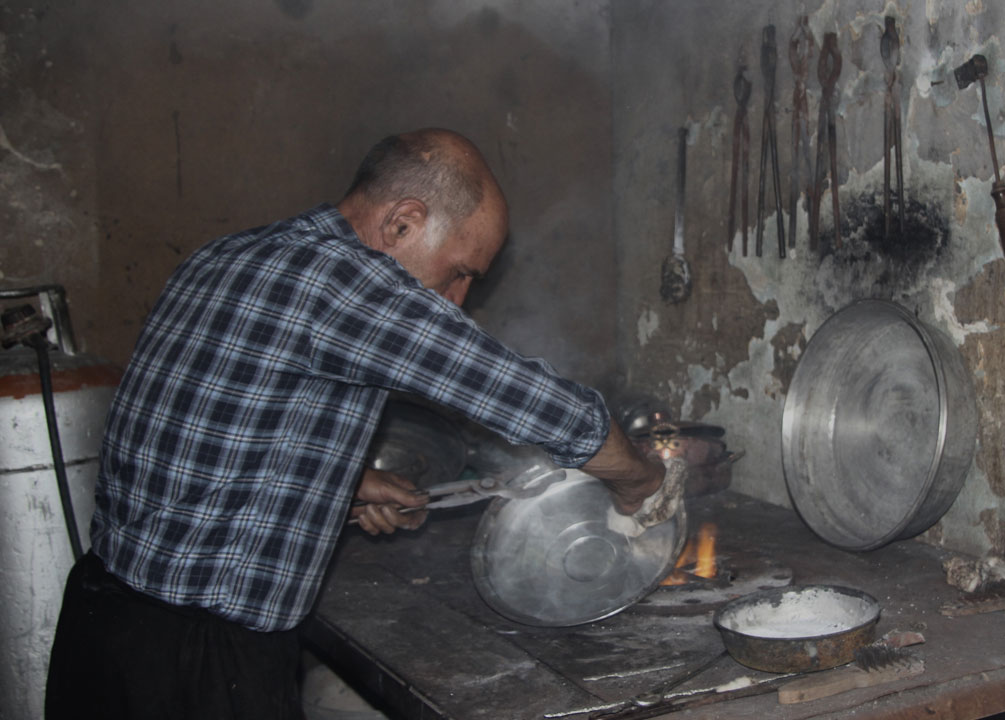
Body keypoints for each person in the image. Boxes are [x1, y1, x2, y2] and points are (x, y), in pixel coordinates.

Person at [44, 128, 665, 720]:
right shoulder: (342, 282)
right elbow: (531, 400)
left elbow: (206, 425)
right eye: (460, 272)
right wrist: (637, 477)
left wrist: (343, 482)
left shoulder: (232, 254)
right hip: (197, 662)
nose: (456, 302)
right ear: (403, 222)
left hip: (105, 626)